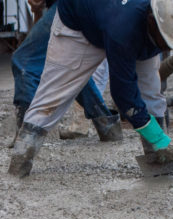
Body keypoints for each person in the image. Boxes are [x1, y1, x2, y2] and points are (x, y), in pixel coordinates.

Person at [8, 0, 173, 178]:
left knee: (152, 94)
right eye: (167, 42)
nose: (168, 48)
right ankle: (20, 161)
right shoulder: (123, 29)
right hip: (80, 26)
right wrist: (156, 136)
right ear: (152, 20)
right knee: (52, 96)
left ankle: (160, 159)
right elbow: (123, 93)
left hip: (129, 23)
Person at [10, 0, 123, 147]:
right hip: (88, 7)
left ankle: (26, 136)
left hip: (71, 6)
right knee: (72, 67)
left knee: (23, 60)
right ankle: (107, 125)